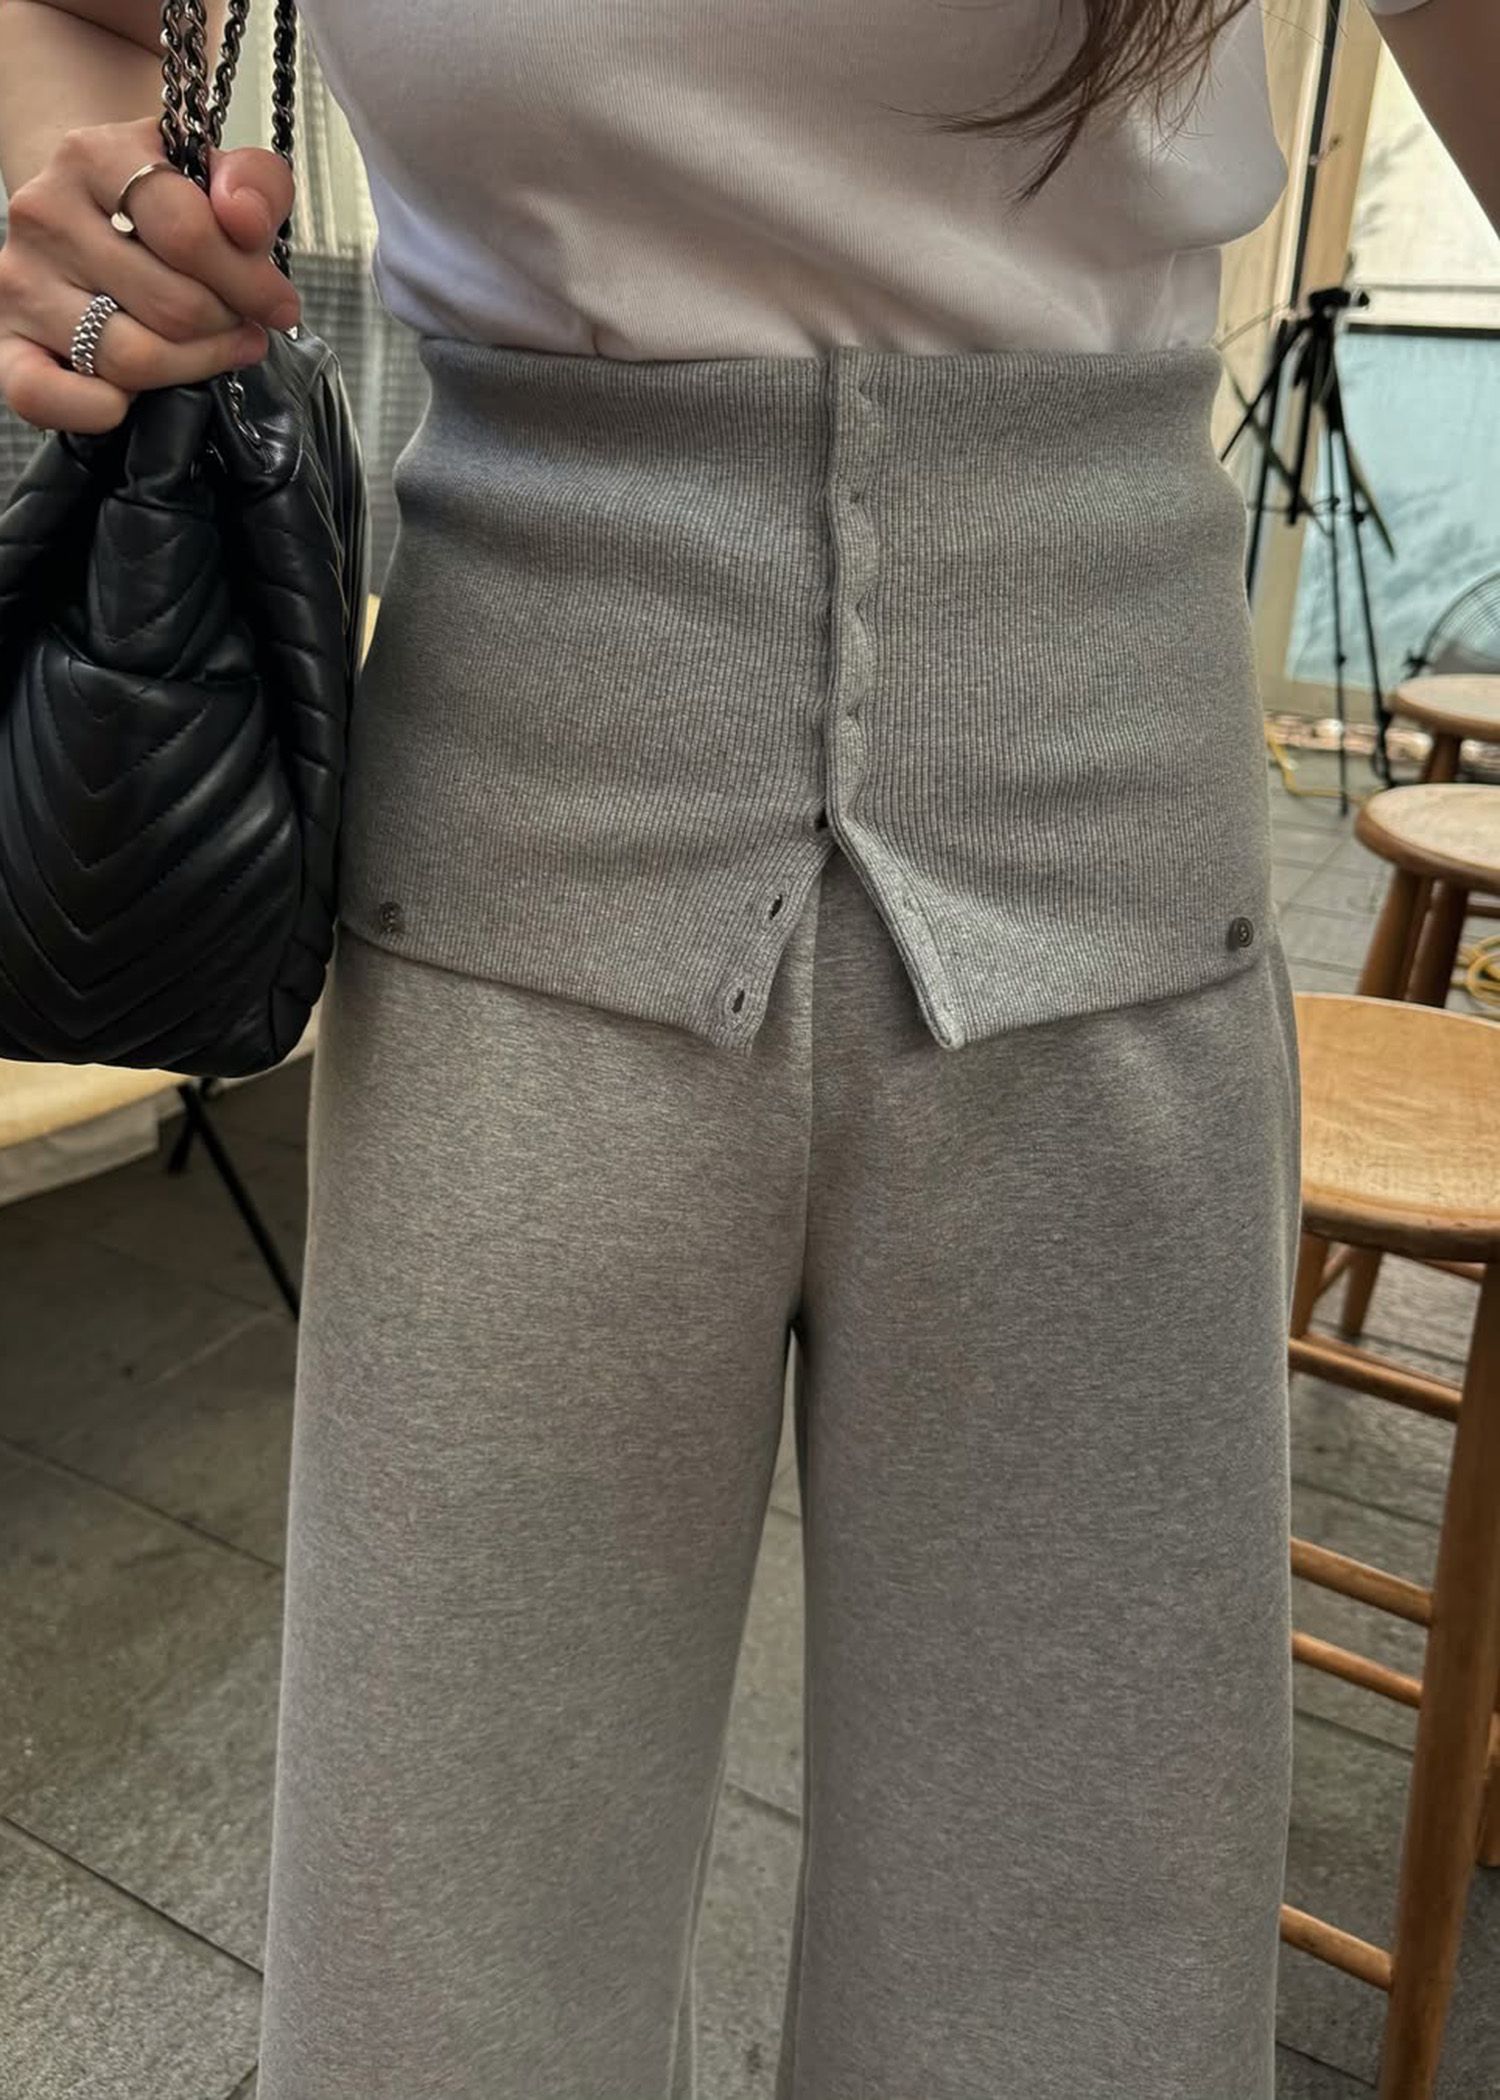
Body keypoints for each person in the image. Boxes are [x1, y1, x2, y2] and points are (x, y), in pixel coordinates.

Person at [1, 2, 1493, 2095]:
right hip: (518, 845)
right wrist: (92, 222)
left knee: (1079, 1971)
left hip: (1099, 856)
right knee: (442, 1956)